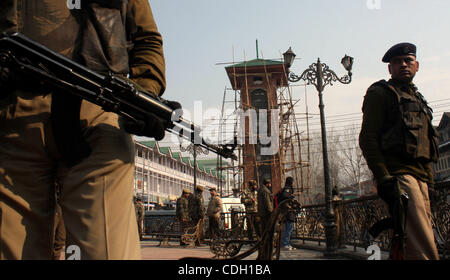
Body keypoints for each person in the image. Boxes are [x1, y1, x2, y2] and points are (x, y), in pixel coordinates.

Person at [0, 1, 168, 259]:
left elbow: (145, 39)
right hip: (13, 113)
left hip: (98, 111)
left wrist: (145, 92)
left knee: (105, 251)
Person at [359, 43, 440, 260]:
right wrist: (384, 177)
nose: (403, 65)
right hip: (400, 176)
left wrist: (430, 182)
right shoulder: (381, 94)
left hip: (421, 178)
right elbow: (367, 139)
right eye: (397, 62)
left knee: (422, 238)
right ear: (390, 68)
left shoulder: (418, 99)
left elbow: (426, 147)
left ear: (417, 65)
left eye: (408, 60)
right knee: (421, 243)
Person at [276, 177, 297, 251]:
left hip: (286, 211)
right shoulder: (287, 188)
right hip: (288, 211)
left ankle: (287, 243)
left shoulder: (286, 188)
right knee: (289, 228)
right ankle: (285, 244)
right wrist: (291, 197)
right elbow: (285, 195)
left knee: (288, 228)